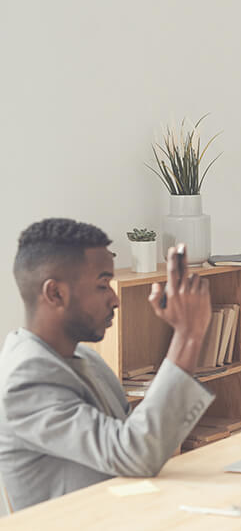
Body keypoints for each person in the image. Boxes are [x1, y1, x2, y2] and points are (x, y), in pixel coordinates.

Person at [0, 219, 215, 511]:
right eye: (103, 285)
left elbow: (135, 445)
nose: (115, 299)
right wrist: (188, 335)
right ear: (55, 294)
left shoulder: (87, 358)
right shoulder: (25, 379)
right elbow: (135, 452)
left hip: (124, 523)